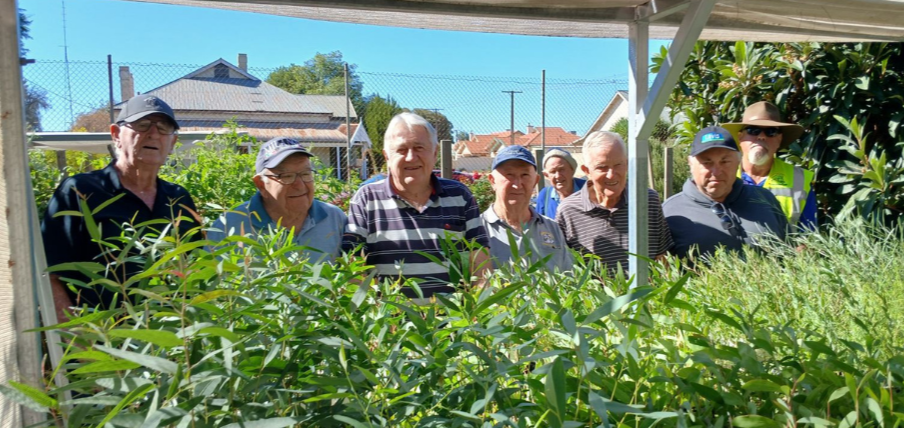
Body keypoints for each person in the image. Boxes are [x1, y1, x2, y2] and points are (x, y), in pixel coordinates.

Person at [41, 94, 200, 320]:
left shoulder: (179, 199)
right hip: (102, 341)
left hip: (171, 340)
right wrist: (77, 340)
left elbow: (195, 269)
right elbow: (49, 274)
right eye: (142, 125)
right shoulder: (79, 192)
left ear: (173, 143)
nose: (153, 133)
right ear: (116, 134)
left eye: (164, 127)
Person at [342, 112, 491, 299]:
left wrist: (477, 316)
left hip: (455, 323)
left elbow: (480, 267)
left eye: (419, 147)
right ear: (387, 156)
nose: (411, 157)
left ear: (435, 153)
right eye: (402, 149)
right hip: (390, 324)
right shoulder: (366, 199)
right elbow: (354, 269)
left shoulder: (459, 196)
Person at [208, 137, 347, 263]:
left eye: (306, 174)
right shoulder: (228, 227)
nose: (299, 185)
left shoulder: (335, 219)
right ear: (261, 184)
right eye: (286, 176)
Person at [663, 126, 789, 259]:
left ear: (738, 162)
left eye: (725, 161)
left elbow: (789, 254)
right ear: (690, 164)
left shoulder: (765, 199)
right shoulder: (670, 212)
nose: (716, 172)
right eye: (707, 162)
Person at [556, 131, 673, 273]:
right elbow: (564, 268)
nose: (611, 175)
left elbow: (662, 259)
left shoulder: (647, 200)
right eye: (602, 167)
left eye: (618, 165)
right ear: (587, 171)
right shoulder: (568, 210)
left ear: (627, 164)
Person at [722, 101, 817, 230]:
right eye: (753, 130)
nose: (761, 137)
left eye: (770, 131)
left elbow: (810, 236)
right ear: (740, 137)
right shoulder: (720, 174)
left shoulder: (800, 181)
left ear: (779, 140)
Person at [482, 145, 572, 272]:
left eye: (524, 175)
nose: (517, 184)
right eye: (509, 175)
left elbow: (568, 279)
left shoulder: (552, 228)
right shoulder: (477, 230)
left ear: (536, 181)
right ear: (492, 181)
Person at [535, 149, 586, 218]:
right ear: (546, 175)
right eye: (553, 171)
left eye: (562, 169)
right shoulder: (545, 196)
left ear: (572, 170)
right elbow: (539, 225)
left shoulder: (588, 189)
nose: (558, 176)